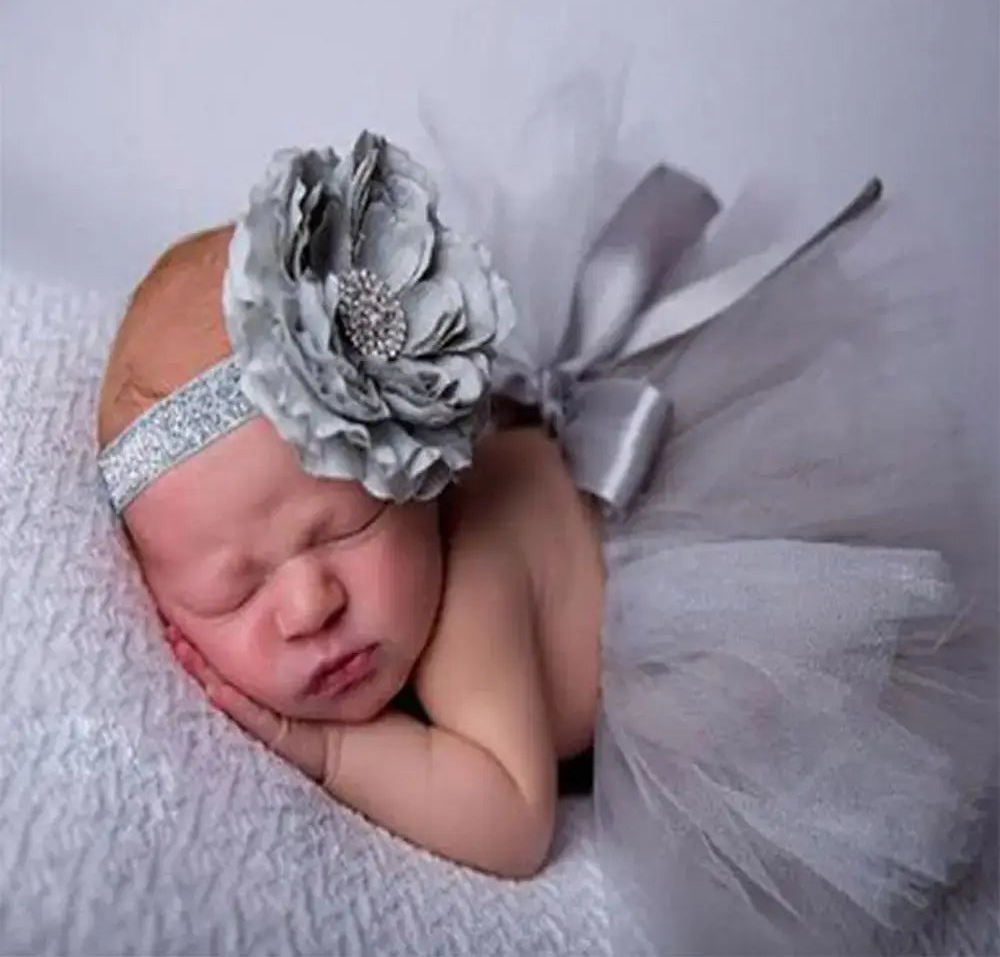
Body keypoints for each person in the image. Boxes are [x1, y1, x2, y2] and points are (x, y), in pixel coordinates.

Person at [95, 116, 996, 954]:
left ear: (418, 473)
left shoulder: (469, 598)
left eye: (347, 524)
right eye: (234, 588)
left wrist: (325, 748)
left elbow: (514, 818)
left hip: (718, 635)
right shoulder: (364, 592)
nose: (307, 602)